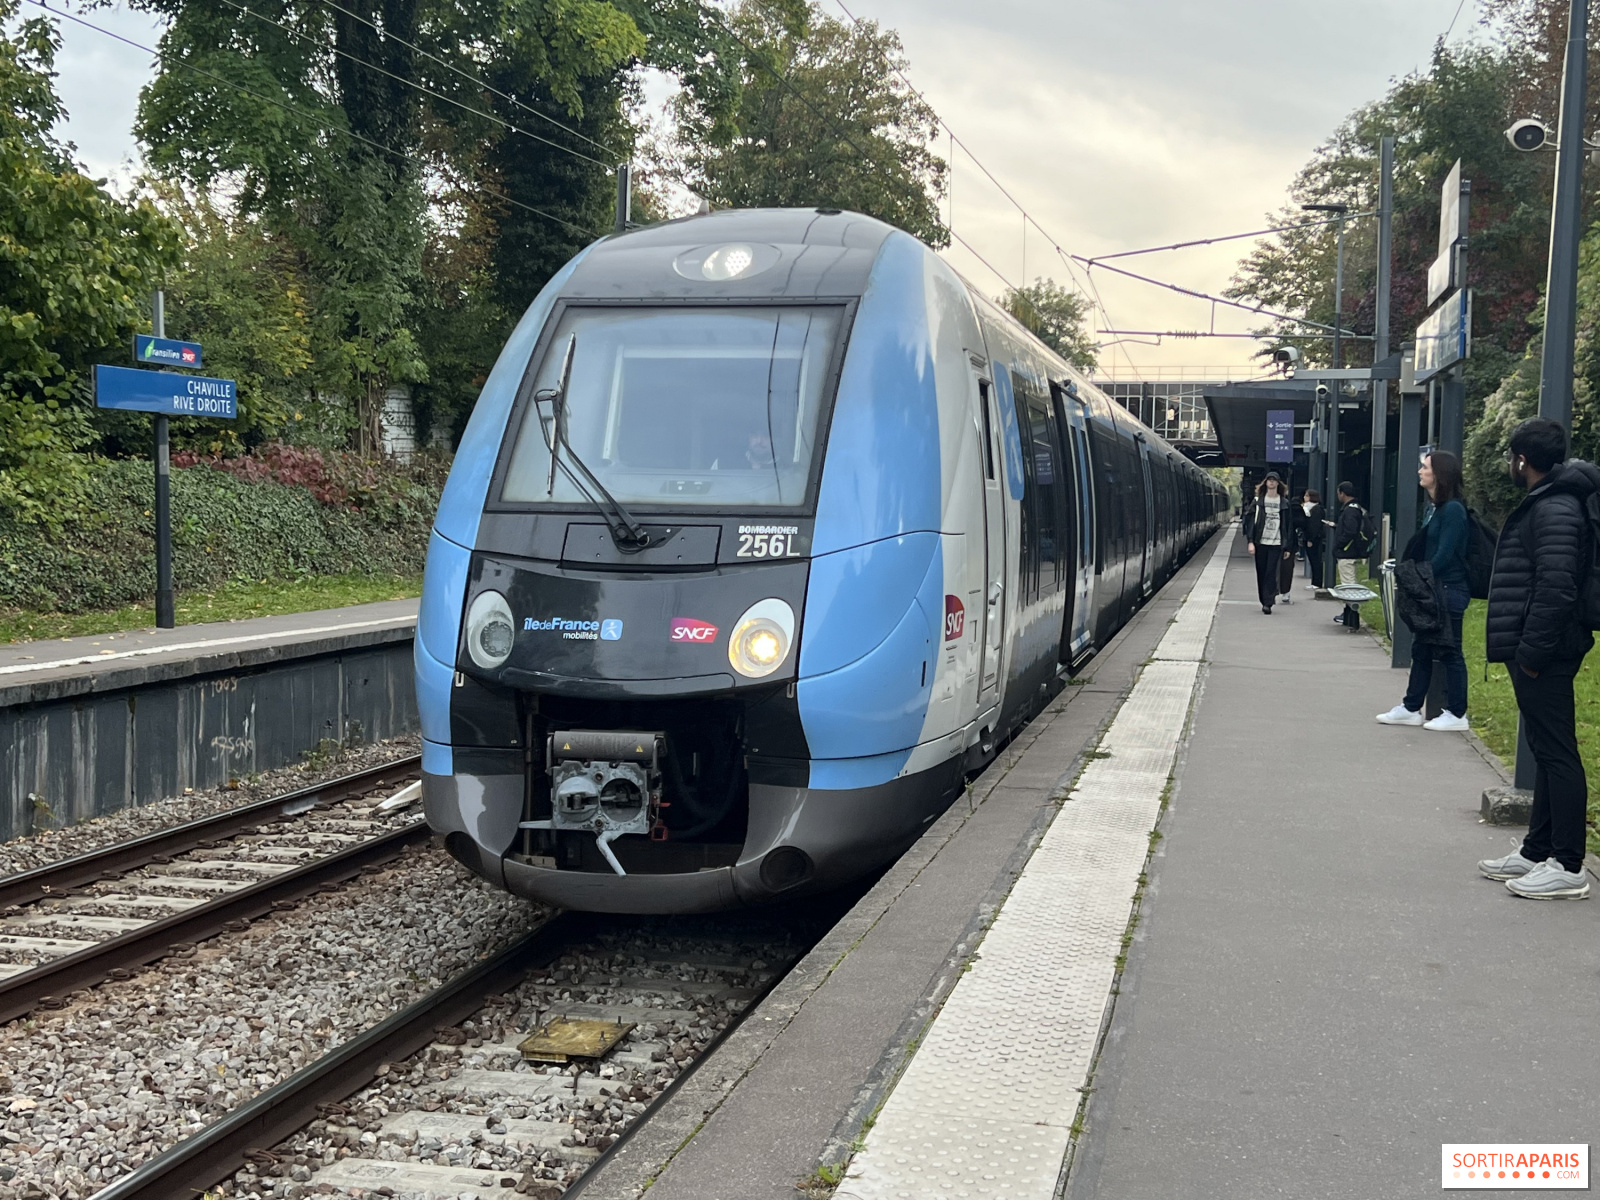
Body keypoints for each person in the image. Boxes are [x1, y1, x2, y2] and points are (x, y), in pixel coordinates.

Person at [1476, 418, 1600, 900]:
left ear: (1522, 460)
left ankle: (1569, 865)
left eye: (1511, 456)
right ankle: (1536, 850)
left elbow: (1556, 587)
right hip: (1542, 648)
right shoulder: (1551, 502)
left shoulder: (1556, 509)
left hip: (1546, 650)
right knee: (1547, 751)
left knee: (1557, 753)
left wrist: (1530, 653)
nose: (1509, 464)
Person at [1376, 450, 1470, 731]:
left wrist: (1414, 577)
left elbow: (1444, 555)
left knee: (1451, 651)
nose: (1420, 471)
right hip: (1436, 590)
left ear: (1439, 474)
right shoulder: (1437, 509)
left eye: (1425, 467)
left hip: (1448, 590)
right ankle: (1411, 706)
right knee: (1423, 649)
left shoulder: (1452, 510)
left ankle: (1456, 713)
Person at [1245, 472, 1297, 615]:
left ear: (1279, 484)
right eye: (1269, 480)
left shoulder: (1284, 503)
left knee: (1272, 572)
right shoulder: (1258, 502)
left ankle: (1268, 602)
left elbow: (1288, 526)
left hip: (1277, 543)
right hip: (1260, 542)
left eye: (1274, 480)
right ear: (1266, 483)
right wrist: (1250, 541)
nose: (1272, 483)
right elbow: (1250, 523)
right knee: (1261, 572)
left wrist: (1288, 546)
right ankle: (1264, 599)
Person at [1330, 482, 1367, 586]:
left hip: (1346, 551)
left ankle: (1351, 602)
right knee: (1350, 581)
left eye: (1338, 493)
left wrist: (1339, 544)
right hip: (1350, 550)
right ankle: (1351, 602)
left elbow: (1350, 531)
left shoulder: (1350, 510)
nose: (1338, 496)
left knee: (1348, 584)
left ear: (1342, 493)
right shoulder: (1356, 508)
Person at [1300, 489, 1326, 590]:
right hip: (1310, 537)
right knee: (1313, 560)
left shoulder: (1315, 509)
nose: (1304, 498)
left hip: (1314, 539)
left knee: (1315, 560)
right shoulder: (1309, 508)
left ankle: (1317, 582)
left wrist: (1310, 539)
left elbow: (1314, 526)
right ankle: (1315, 581)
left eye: (1306, 496)